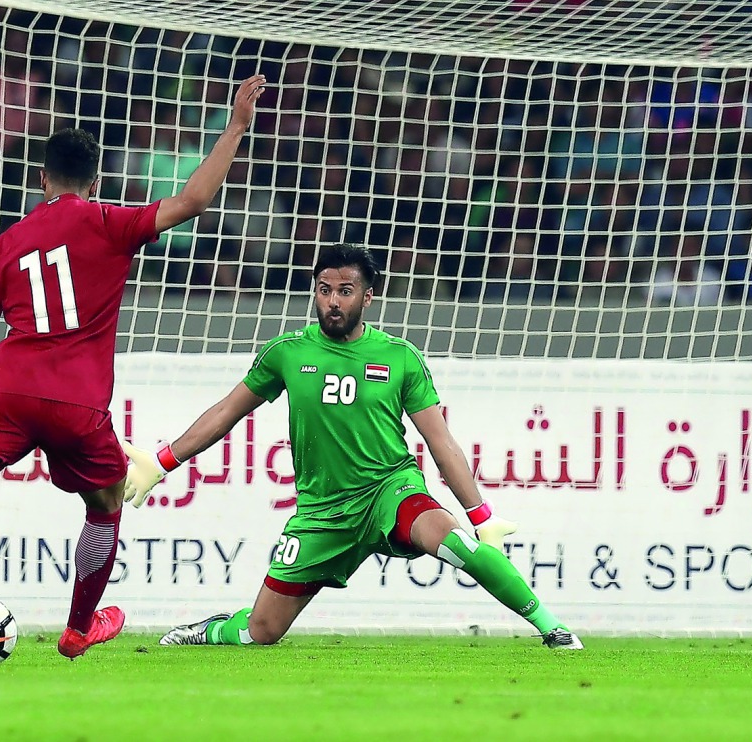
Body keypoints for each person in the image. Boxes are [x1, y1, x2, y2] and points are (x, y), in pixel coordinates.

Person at [0, 74, 267, 659]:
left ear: (41, 179)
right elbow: (193, 202)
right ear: (96, 181)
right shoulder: (109, 222)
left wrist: (7, 381)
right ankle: (79, 628)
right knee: (104, 505)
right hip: (79, 401)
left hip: (6, 387)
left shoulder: (8, 241)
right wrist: (234, 127)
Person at [123, 243, 583, 650]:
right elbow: (226, 412)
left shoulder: (399, 357)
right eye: (324, 289)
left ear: (367, 297)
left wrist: (481, 515)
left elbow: (440, 442)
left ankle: (553, 628)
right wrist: (163, 461)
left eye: (344, 291)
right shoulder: (287, 352)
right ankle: (210, 630)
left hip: (390, 490)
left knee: (456, 543)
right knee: (260, 632)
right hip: (322, 512)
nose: (332, 301)